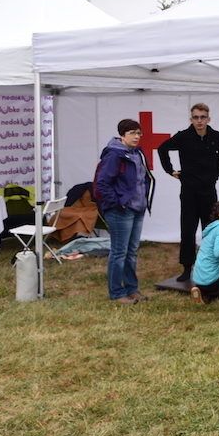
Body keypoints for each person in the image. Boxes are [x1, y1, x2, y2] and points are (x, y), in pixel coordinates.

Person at [157, 102, 219, 282]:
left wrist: (215, 174)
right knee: (188, 229)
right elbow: (162, 148)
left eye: (202, 117)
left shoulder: (216, 136)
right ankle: (187, 267)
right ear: (191, 119)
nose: (199, 121)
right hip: (189, 190)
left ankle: (210, 265)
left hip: (208, 191)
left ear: (208, 119)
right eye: (196, 117)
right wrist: (170, 170)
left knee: (210, 230)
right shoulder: (183, 137)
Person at [94, 118, 155, 305]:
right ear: (122, 135)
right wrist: (118, 203)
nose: (136, 137)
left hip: (138, 209)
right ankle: (117, 293)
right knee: (119, 252)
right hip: (121, 211)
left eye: (138, 133)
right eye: (132, 133)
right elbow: (102, 183)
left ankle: (131, 289)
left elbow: (142, 179)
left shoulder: (137, 153)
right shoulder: (114, 155)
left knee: (132, 251)